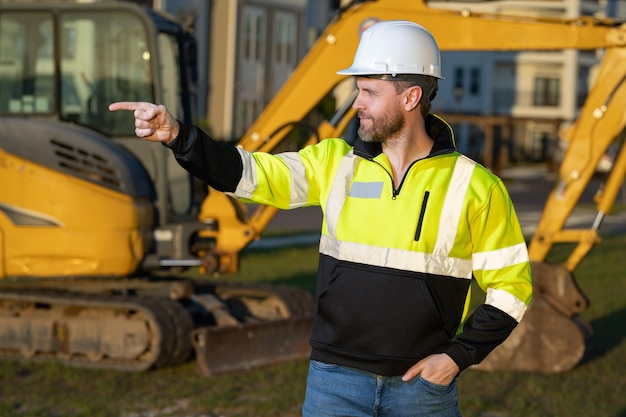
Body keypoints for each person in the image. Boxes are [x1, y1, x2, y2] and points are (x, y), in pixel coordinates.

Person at [110, 20, 532, 417]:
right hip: (335, 383)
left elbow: (512, 290)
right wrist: (179, 136)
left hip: (422, 390)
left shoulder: (477, 186)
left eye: (368, 91)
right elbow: (251, 175)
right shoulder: (334, 163)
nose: (357, 103)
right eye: (357, 90)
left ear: (410, 97)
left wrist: (455, 359)